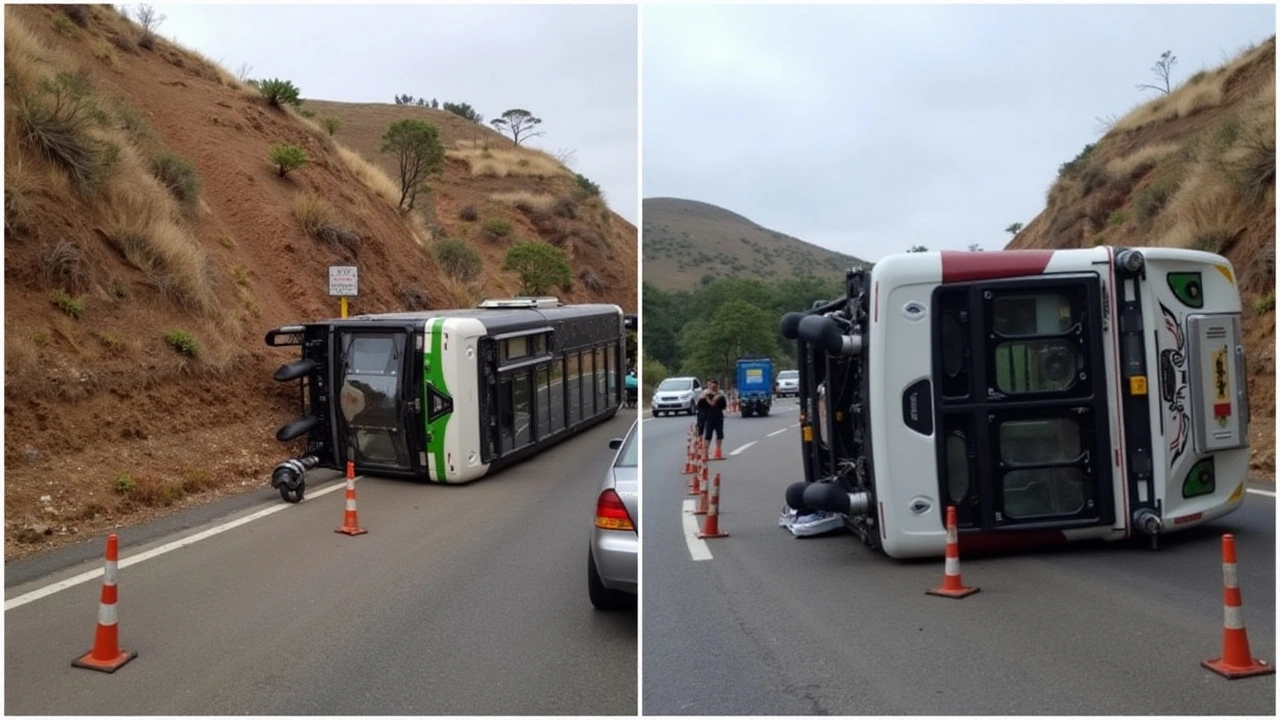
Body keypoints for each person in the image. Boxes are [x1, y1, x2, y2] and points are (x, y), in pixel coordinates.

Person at [697, 378, 728, 461]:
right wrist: (705, 398)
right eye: (711, 386)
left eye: (715, 386)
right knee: (708, 436)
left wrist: (716, 399)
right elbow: (700, 405)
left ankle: (718, 452)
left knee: (719, 435)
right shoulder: (705, 395)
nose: (713, 388)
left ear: (717, 387)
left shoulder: (720, 396)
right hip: (708, 418)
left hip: (718, 417)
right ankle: (705, 454)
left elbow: (724, 406)